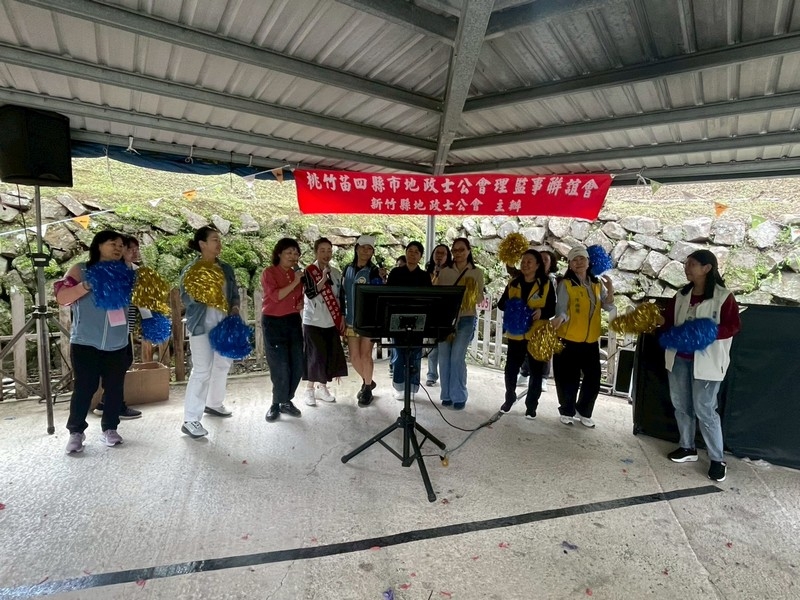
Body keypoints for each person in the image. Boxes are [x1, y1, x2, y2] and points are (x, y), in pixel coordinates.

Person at [661, 250, 741, 482]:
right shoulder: (681, 295)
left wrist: (705, 333)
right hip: (679, 359)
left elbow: (733, 326)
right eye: (686, 264)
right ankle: (687, 447)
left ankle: (717, 459)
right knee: (681, 405)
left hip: (707, 363)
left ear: (707, 268)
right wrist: (654, 321)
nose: (686, 268)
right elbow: (668, 322)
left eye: (692, 264)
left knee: (705, 409)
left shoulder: (723, 297)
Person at [56, 230, 131, 453]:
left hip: (118, 342)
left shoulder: (127, 272)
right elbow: (62, 297)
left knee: (115, 388)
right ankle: (76, 432)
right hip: (86, 341)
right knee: (84, 388)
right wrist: (86, 285)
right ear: (98, 245)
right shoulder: (81, 270)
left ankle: (110, 429)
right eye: (113, 243)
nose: (118, 248)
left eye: (121, 245)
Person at [179, 226, 240, 438]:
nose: (219, 244)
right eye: (214, 240)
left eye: (219, 240)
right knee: (202, 371)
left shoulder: (226, 268)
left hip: (224, 324)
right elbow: (185, 297)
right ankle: (190, 420)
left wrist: (235, 307)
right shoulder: (192, 269)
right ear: (202, 244)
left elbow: (234, 293)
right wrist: (202, 293)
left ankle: (214, 403)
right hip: (201, 326)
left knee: (223, 364)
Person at [550, 246, 615, 428]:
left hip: (590, 341)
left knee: (593, 379)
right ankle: (567, 411)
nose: (579, 262)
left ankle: (584, 411)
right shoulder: (566, 284)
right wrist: (560, 319)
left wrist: (610, 290)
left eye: (582, 259)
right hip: (568, 339)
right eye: (575, 260)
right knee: (568, 379)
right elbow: (562, 309)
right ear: (570, 264)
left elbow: (608, 306)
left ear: (588, 262)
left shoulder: (596, 284)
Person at [498, 250, 555, 418]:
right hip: (516, 334)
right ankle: (509, 397)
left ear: (538, 265)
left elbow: (552, 308)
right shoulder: (513, 283)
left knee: (536, 372)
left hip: (537, 334)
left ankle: (531, 406)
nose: (525, 264)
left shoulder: (546, 284)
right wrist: (513, 307)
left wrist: (541, 311)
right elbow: (501, 304)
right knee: (511, 368)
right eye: (523, 261)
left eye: (529, 261)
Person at [93, 234, 143, 420]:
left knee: (123, 363)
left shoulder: (134, 270)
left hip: (126, 325)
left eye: (136, 249)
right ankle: (113, 405)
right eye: (130, 249)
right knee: (117, 365)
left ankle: (107, 402)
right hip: (113, 326)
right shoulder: (115, 271)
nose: (134, 252)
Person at [435, 238, 484, 410]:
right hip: (445, 319)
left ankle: (459, 395)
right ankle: (446, 395)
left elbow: (480, 298)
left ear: (469, 251)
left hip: (466, 318)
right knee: (444, 357)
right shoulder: (445, 272)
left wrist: (470, 292)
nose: (458, 253)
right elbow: (438, 296)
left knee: (457, 356)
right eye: (455, 250)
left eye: (461, 249)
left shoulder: (476, 272)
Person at [261, 237, 305, 422]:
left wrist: (300, 302)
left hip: (292, 320)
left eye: (296, 253)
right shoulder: (269, 272)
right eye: (289, 253)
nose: (293, 256)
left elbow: (298, 296)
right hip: (273, 322)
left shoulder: (296, 274)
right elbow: (276, 296)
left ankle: (286, 400)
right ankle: (276, 403)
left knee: (297, 364)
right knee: (280, 366)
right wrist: (296, 281)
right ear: (279, 254)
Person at [300, 237, 348, 406]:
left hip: (331, 321)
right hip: (313, 320)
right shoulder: (308, 271)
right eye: (322, 250)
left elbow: (341, 296)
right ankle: (309, 390)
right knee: (315, 356)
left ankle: (322, 387)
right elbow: (310, 293)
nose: (326, 254)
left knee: (328, 355)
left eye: (329, 250)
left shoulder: (336, 273)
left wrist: (342, 316)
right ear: (316, 252)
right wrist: (322, 278)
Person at [341, 235, 384, 406]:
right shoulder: (347, 269)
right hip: (351, 319)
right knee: (354, 357)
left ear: (373, 252)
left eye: (370, 248)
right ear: (356, 248)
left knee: (366, 355)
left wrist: (381, 278)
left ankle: (367, 389)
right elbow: (342, 293)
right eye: (363, 247)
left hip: (368, 320)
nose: (366, 251)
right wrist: (342, 315)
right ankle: (369, 381)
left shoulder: (374, 271)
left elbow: (379, 293)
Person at [387, 241, 431, 400]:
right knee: (399, 354)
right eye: (410, 251)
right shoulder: (395, 273)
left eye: (416, 252)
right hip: (397, 318)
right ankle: (399, 386)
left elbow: (428, 299)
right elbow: (388, 296)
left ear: (420, 256)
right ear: (406, 253)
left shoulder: (424, 276)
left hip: (418, 319)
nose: (412, 254)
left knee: (415, 355)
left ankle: (412, 387)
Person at [424, 244, 452, 386]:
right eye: (437, 253)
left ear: (448, 256)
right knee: (432, 347)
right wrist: (436, 274)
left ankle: (447, 376)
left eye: (443, 253)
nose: (439, 255)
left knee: (445, 346)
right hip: (431, 313)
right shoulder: (427, 273)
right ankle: (431, 374)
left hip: (446, 313)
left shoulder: (452, 272)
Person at [538, 249, 560, 393]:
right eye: (540, 259)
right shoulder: (530, 276)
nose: (542, 262)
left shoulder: (555, 280)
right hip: (532, 317)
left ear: (551, 263)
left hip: (550, 317)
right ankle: (525, 373)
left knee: (545, 347)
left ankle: (543, 378)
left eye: (545, 259)